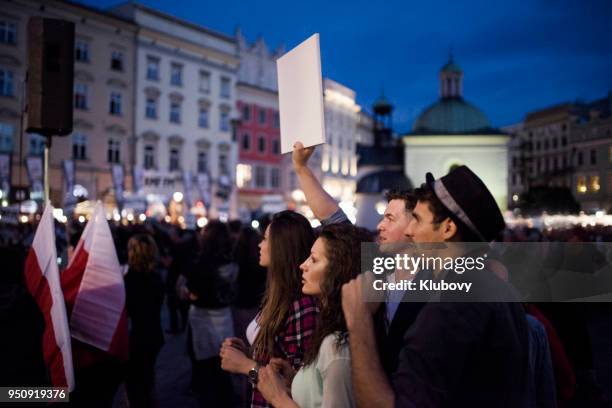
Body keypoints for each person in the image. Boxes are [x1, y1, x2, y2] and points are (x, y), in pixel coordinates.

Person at [342, 165, 530, 407]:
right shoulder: (490, 285)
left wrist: (359, 320)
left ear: (448, 228)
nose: (409, 232)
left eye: (417, 220)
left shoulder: (454, 304)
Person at [255, 224, 377, 408]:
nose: (303, 265)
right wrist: (296, 380)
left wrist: (277, 398)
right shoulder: (329, 329)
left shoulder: (338, 346)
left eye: (314, 259)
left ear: (339, 270)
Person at [220, 211, 318, 408]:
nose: (259, 245)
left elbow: (300, 384)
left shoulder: (301, 305)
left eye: (265, 239)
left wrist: (246, 365)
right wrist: (248, 352)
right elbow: (276, 357)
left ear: (282, 248)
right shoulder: (277, 294)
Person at [187, 221, 238, 407]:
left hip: (202, 317)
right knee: (223, 365)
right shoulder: (231, 262)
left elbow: (192, 292)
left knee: (204, 367)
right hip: (224, 315)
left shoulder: (200, 263)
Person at [124, 234, 165, 408]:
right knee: (148, 382)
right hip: (154, 335)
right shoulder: (157, 278)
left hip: (137, 338)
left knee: (135, 387)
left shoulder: (129, 280)